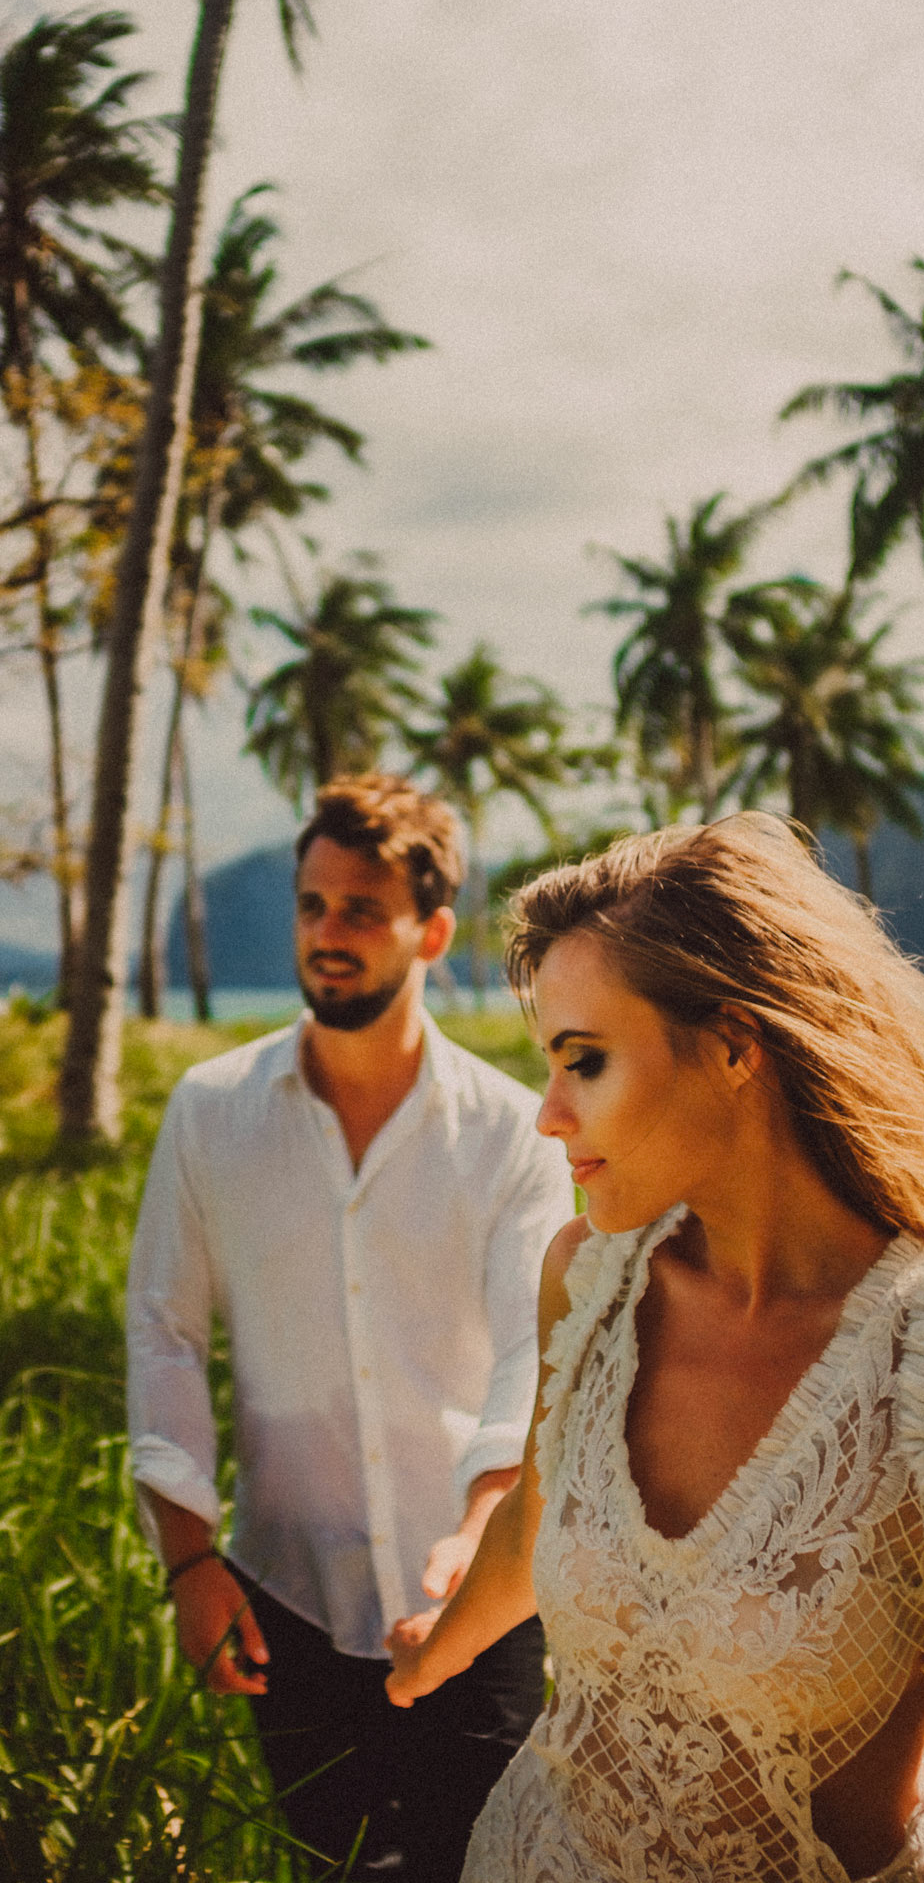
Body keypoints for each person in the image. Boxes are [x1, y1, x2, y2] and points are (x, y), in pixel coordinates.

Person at [385, 812, 924, 1883]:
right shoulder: (587, 1280)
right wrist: (428, 1650)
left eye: (583, 1061)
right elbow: (536, 1517)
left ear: (734, 1044)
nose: (547, 1114)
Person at [126, 773, 576, 1882]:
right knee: (331, 1868)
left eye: (361, 911)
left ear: (429, 930)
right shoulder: (209, 1110)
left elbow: (535, 1347)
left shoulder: (514, 1134)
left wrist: (481, 1526)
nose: (329, 934)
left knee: (489, 1865)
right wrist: (189, 1561)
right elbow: (164, 1330)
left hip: (478, 1596)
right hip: (287, 1595)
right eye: (314, 905)